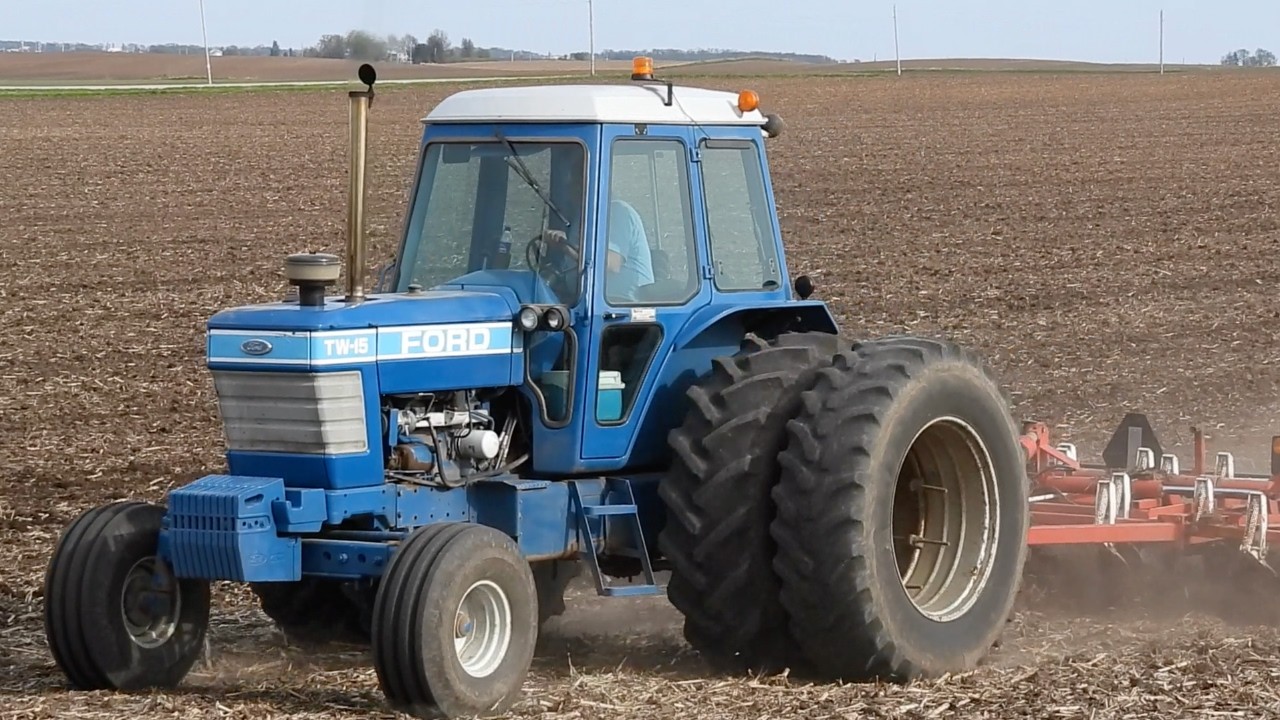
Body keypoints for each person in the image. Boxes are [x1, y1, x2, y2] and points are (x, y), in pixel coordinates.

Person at [603, 198, 654, 303]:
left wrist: (566, 248)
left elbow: (612, 264)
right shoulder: (579, 221)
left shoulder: (616, 211)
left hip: (625, 304)